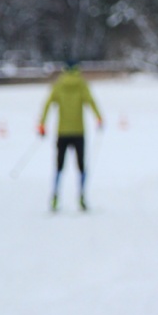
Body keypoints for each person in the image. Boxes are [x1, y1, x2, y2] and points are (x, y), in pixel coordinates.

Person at [39, 60, 103, 211]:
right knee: (81, 166)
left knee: (59, 166)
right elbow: (91, 101)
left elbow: (47, 104)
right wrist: (98, 117)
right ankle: (82, 195)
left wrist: (42, 124)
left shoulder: (59, 84)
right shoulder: (81, 84)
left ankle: (55, 195)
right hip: (79, 132)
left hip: (62, 132)